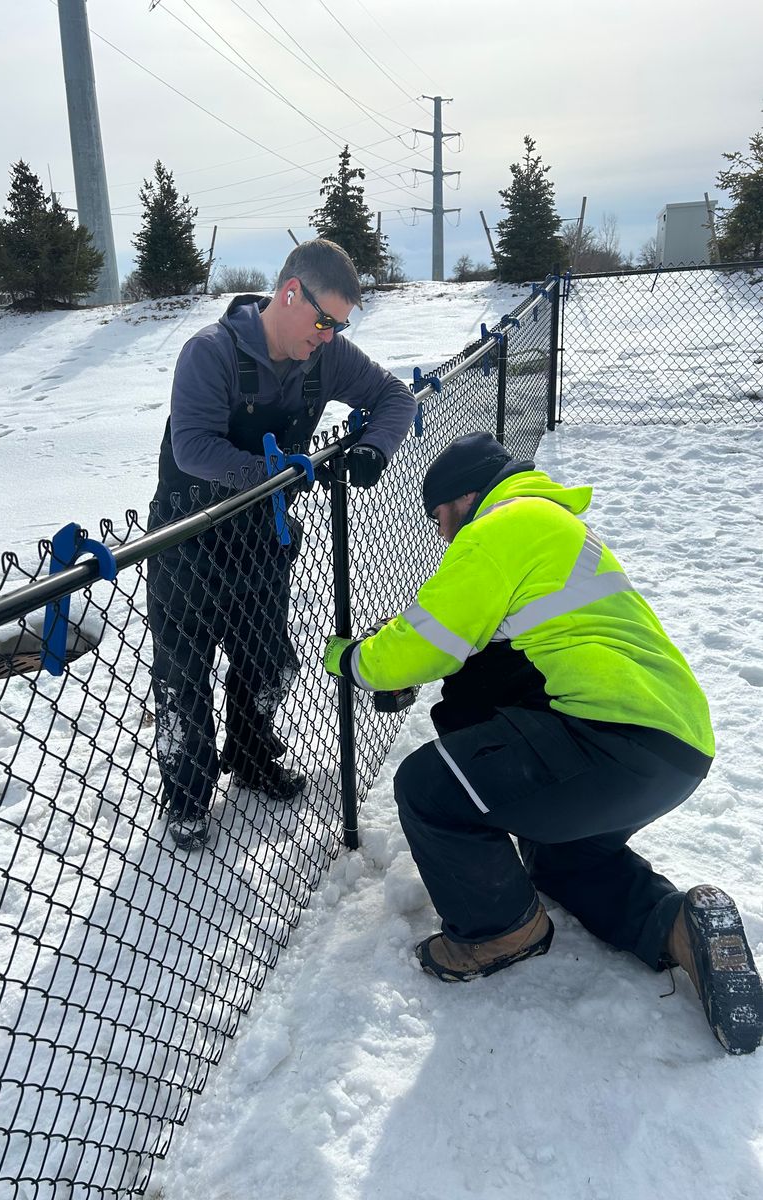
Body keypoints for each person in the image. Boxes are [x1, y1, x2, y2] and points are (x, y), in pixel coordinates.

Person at [324, 430, 763, 1054]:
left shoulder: (498, 526)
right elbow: (486, 651)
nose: (443, 537)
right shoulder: (558, 529)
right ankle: (678, 928)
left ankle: (498, 930)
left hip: (608, 737)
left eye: (441, 519)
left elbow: (423, 644)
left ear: (464, 498)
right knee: (565, 860)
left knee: (427, 785)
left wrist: (352, 658)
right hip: (676, 747)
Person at [148, 239, 416, 851]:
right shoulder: (209, 354)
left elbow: (394, 398)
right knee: (183, 677)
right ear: (290, 293)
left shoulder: (324, 358)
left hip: (262, 541)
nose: (328, 336)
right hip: (186, 541)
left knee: (267, 660)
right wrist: (277, 475)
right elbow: (193, 448)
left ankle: (249, 753)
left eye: (339, 326)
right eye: (323, 321)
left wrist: (375, 446)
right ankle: (187, 796)